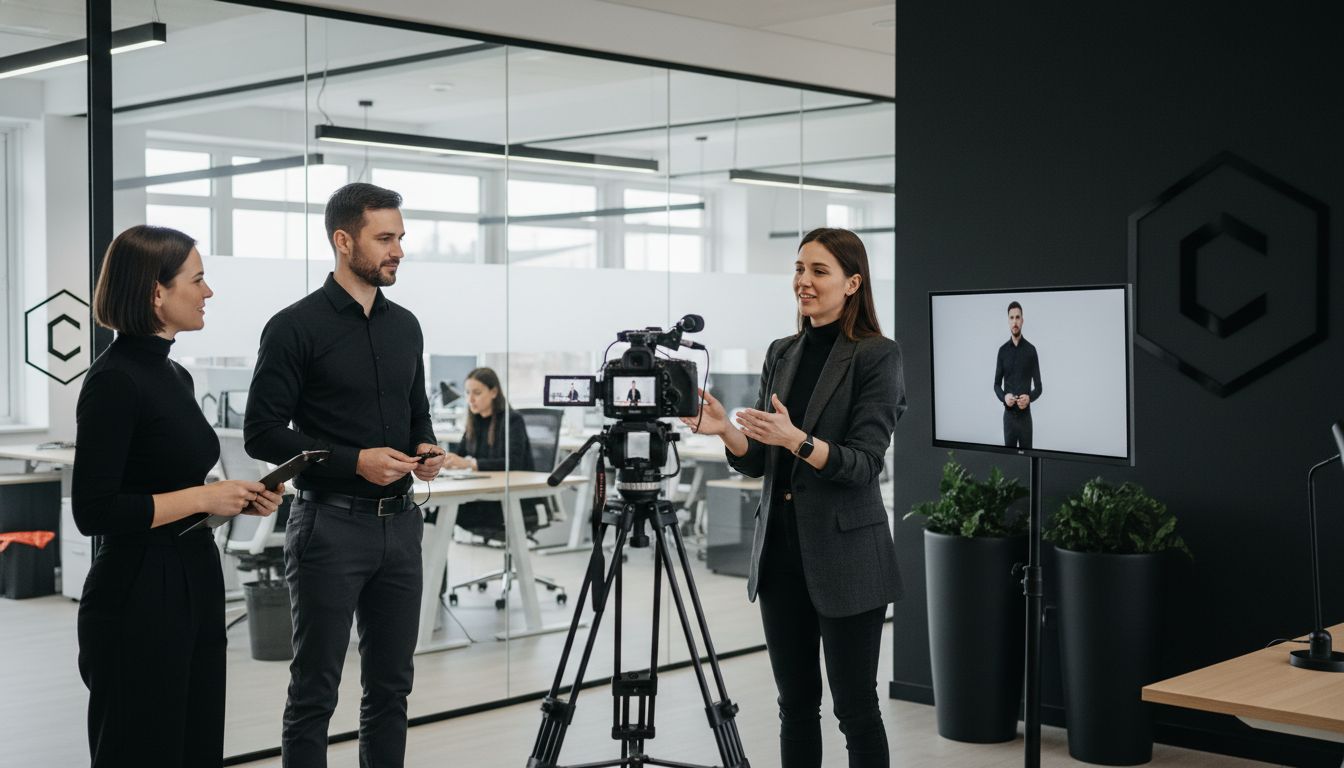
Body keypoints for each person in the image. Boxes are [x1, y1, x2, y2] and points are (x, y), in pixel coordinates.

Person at [683, 227, 905, 768]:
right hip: (781, 554)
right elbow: (762, 460)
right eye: (799, 269)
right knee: (796, 706)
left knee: (855, 708)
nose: (803, 282)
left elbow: (862, 465)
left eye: (819, 271)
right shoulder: (783, 352)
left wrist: (797, 439)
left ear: (853, 283)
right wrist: (727, 432)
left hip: (847, 556)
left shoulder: (877, 356)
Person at [244, 183, 444, 768]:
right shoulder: (294, 327)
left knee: (391, 690)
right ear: (342, 240)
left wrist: (426, 448)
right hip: (328, 527)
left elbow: (417, 413)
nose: (398, 249)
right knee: (315, 693)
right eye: (385, 238)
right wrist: (354, 459)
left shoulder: (405, 325)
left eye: (401, 238)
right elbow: (261, 431)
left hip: (400, 529)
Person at [73, 225, 283, 768]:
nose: (208, 292)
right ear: (156, 292)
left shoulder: (176, 375)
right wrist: (202, 498)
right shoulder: (114, 381)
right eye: (198, 279)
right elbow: (94, 510)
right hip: (138, 592)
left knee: (196, 745)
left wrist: (229, 497)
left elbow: (171, 486)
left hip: (194, 575)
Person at [993, 300, 1042, 449]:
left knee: (1028, 459)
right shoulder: (1002, 351)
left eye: (1017, 317)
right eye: (1011, 317)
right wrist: (1004, 397)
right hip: (1008, 419)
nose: (1015, 321)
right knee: (1010, 463)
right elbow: (996, 385)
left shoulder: (1031, 351)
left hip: (1025, 418)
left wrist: (1029, 398)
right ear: (1008, 321)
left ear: (1022, 320)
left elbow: (1039, 387)